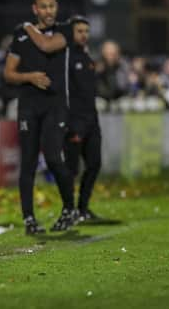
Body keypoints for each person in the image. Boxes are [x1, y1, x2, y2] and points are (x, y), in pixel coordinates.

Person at [4, 0, 76, 234]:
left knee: (55, 157)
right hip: (28, 107)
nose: (49, 11)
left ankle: (70, 208)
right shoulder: (21, 36)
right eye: (44, 6)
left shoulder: (66, 31)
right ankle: (29, 220)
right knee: (29, 163)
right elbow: (9, 73)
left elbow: (46, 45)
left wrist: (26, 26)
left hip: (55, 105)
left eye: (52, 6)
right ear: (35, 8)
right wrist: (30, 77)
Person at [61, 16, 103, 221]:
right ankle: (69, 210)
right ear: (71, 33)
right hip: (74, 120)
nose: (84, 35)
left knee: (95, 163)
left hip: (91, 119)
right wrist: (68, 122)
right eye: (80, 31)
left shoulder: (87, 57)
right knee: (71, 169)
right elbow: (64, 92)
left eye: (86, 31)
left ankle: (83, 208)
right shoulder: (65, 57)